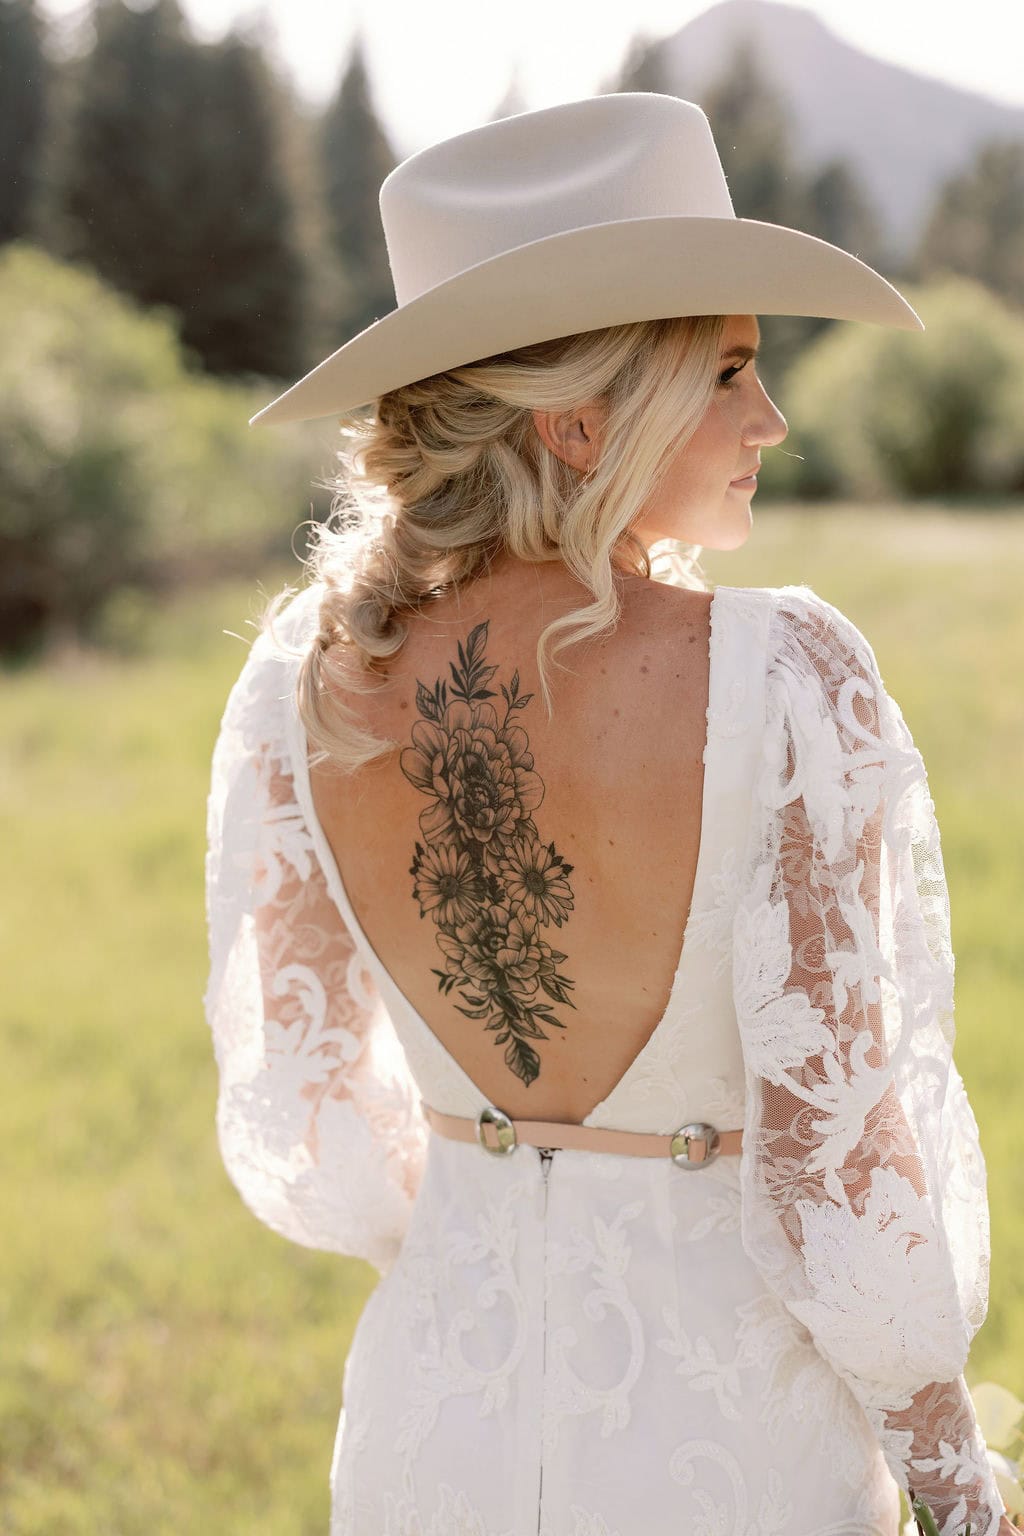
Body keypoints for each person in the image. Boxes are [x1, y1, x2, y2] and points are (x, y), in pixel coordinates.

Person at [203, 94, 1013, 1535]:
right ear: (585, 418)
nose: (773, 420)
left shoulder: (301, 684)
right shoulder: (784, 675)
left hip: (428, 1428)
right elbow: (841, 1163)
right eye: (728, 373)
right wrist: (958, 1483)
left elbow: (312, 1114)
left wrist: (500, 1199)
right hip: (727, 1452)